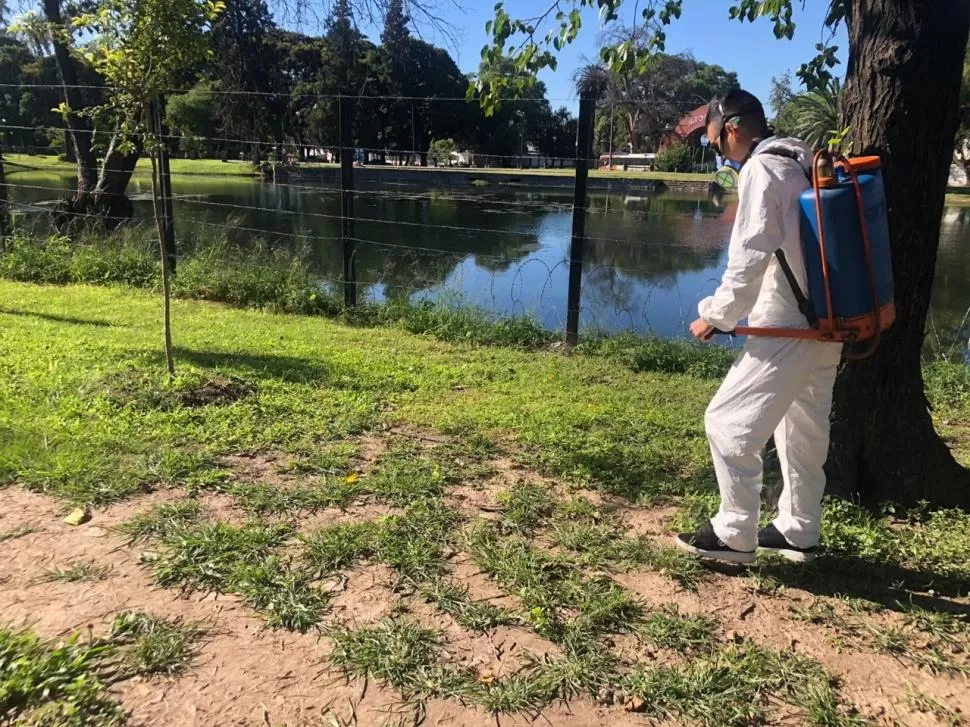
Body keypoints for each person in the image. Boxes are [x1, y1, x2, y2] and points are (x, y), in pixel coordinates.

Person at [675, 89, 843, 565]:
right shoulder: (800, 156)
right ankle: (798, 529)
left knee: (727, 423)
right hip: (828, 321)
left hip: (788, 326)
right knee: (802, 431)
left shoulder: (763, 169)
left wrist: (716, 317)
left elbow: (749, 256)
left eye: (713, 145)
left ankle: (734, 534)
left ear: (731, 129)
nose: (718, 156)